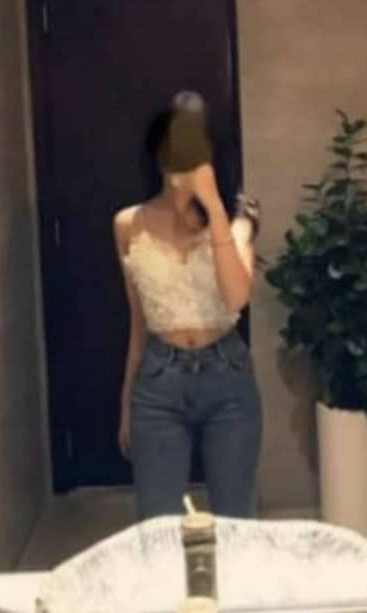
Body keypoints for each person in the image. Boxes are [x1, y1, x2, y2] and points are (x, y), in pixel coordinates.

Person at [112, 90, 262, 520]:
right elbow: (138, 322)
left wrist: (212, 204)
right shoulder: (128, 224)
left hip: (227, 376)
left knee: (235, 521)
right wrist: (126, 403)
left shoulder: (236, 219)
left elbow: (236, 296)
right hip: (158, 381)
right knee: (158, 523)